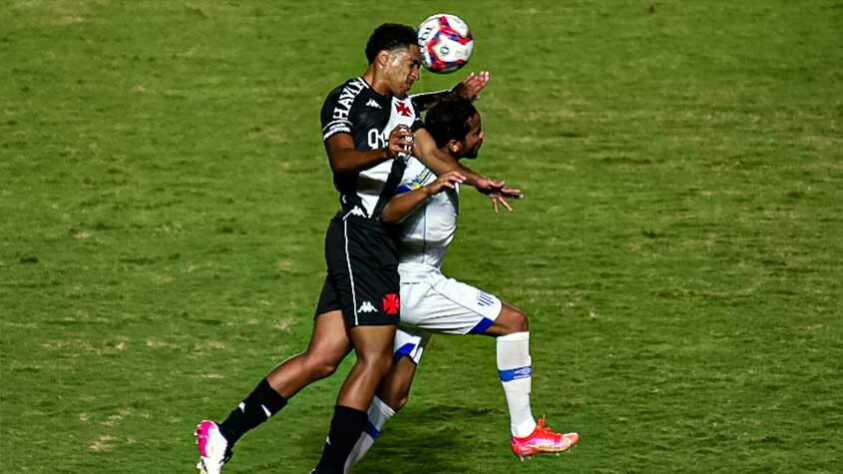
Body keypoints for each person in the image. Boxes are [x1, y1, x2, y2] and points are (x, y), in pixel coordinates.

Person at [194, 23, 514, 474]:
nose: (416, 74)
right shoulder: (346, 100)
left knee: (322, 359)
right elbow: (341, 159)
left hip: (368, 240)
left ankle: (223, 433)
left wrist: (475, 169)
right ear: (384, 58)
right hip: (361, 237)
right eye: (412, 64)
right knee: (376, 358)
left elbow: (423, 137)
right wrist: (385, 152)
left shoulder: (399, 104)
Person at [343, 97, 580, 472]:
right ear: (454, 144)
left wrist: (460, 96)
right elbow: (386, 212)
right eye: (476, 132)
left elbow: (430, 137)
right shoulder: (422, 173)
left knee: (393, 395)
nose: (483, 137)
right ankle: (525, 432)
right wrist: (429, 190)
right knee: (514, 324)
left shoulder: (439, 160)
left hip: (404, 288)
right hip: (417, 287)